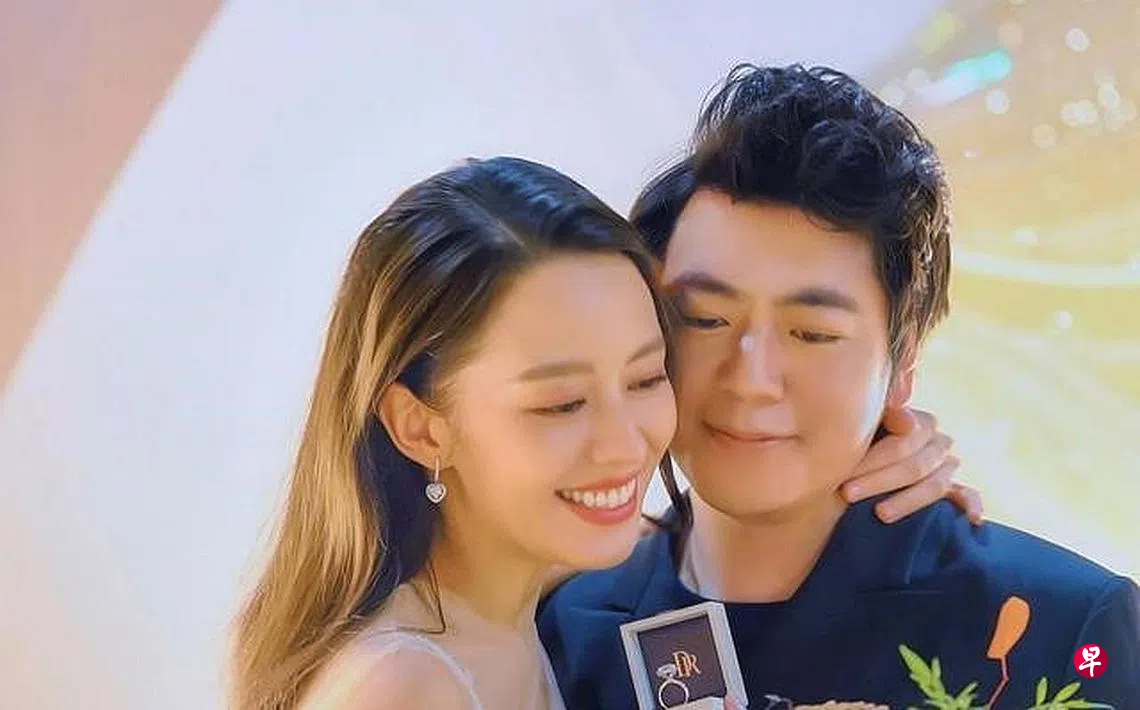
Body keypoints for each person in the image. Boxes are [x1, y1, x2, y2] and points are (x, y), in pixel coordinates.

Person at [231, 156, 976, 710]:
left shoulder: (535, 595)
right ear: (420, 428)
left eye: (647, 379)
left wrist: (879, 447)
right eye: (561, 405)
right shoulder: (404, 687)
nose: (624, 445)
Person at [538, 64, 1140, 709]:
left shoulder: (1062, 625)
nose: (751, 380)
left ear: (903, 362)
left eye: (812, 333)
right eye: (706, 319)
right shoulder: (565, 627)